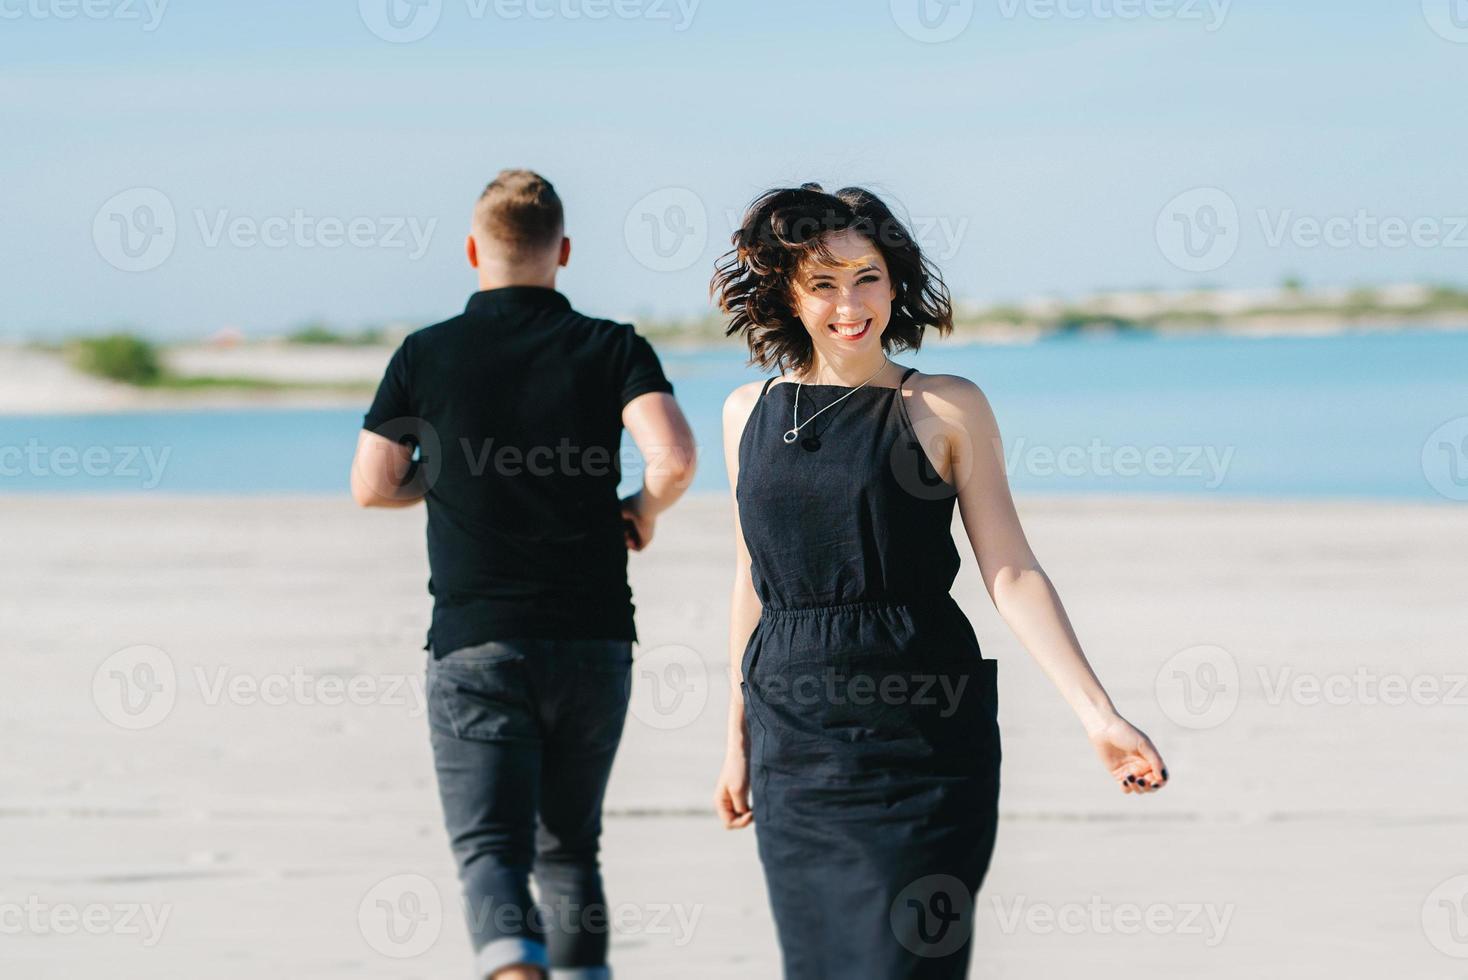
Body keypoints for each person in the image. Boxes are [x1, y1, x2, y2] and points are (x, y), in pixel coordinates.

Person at [711, 183, 1168, 978]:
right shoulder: (746, 412)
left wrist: (1099, 716)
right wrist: (735, 737)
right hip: (795, 735)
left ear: (895, 282)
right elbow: (754, 575)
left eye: (868, 278)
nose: (850, 304)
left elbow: (1013, 568)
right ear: (787, 290)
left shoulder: (944, 407)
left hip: (920, 728)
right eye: (823, 283)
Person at [352, 169, 696, 980]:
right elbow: (674, 458)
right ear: (563, 253)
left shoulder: (424, 354)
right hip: (594, 638)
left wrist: (448, 474)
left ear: (474, 250)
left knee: (490, 848)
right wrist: (641, 509)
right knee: (571, 846)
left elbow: (371, 483)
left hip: (476, 640)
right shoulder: (614, 346)